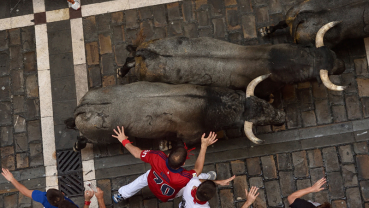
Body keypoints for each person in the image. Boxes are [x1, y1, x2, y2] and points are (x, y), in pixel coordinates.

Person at [112, 126, 218, 203]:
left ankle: (121, 195)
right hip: (166, 196)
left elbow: (136, 153)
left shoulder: (158, 156)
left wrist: (124, 140)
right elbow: (198, 169)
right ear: (184, 163)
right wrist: (204, 146)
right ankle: (207, 177)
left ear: (168, 154)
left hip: (152, 181)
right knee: (196, 178)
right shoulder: (183, 177)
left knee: (145, 177)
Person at [1, 168, 78, 208]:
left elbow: (25, 192)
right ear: (62, 194)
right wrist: (87, 200)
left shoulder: (44, 198)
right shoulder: (72, 206)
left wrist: (11, 179)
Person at [179, 174, 259, 208]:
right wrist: (248, 202)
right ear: (210, 199)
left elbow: (200, 180)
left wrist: (220, 182)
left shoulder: (191, 184)